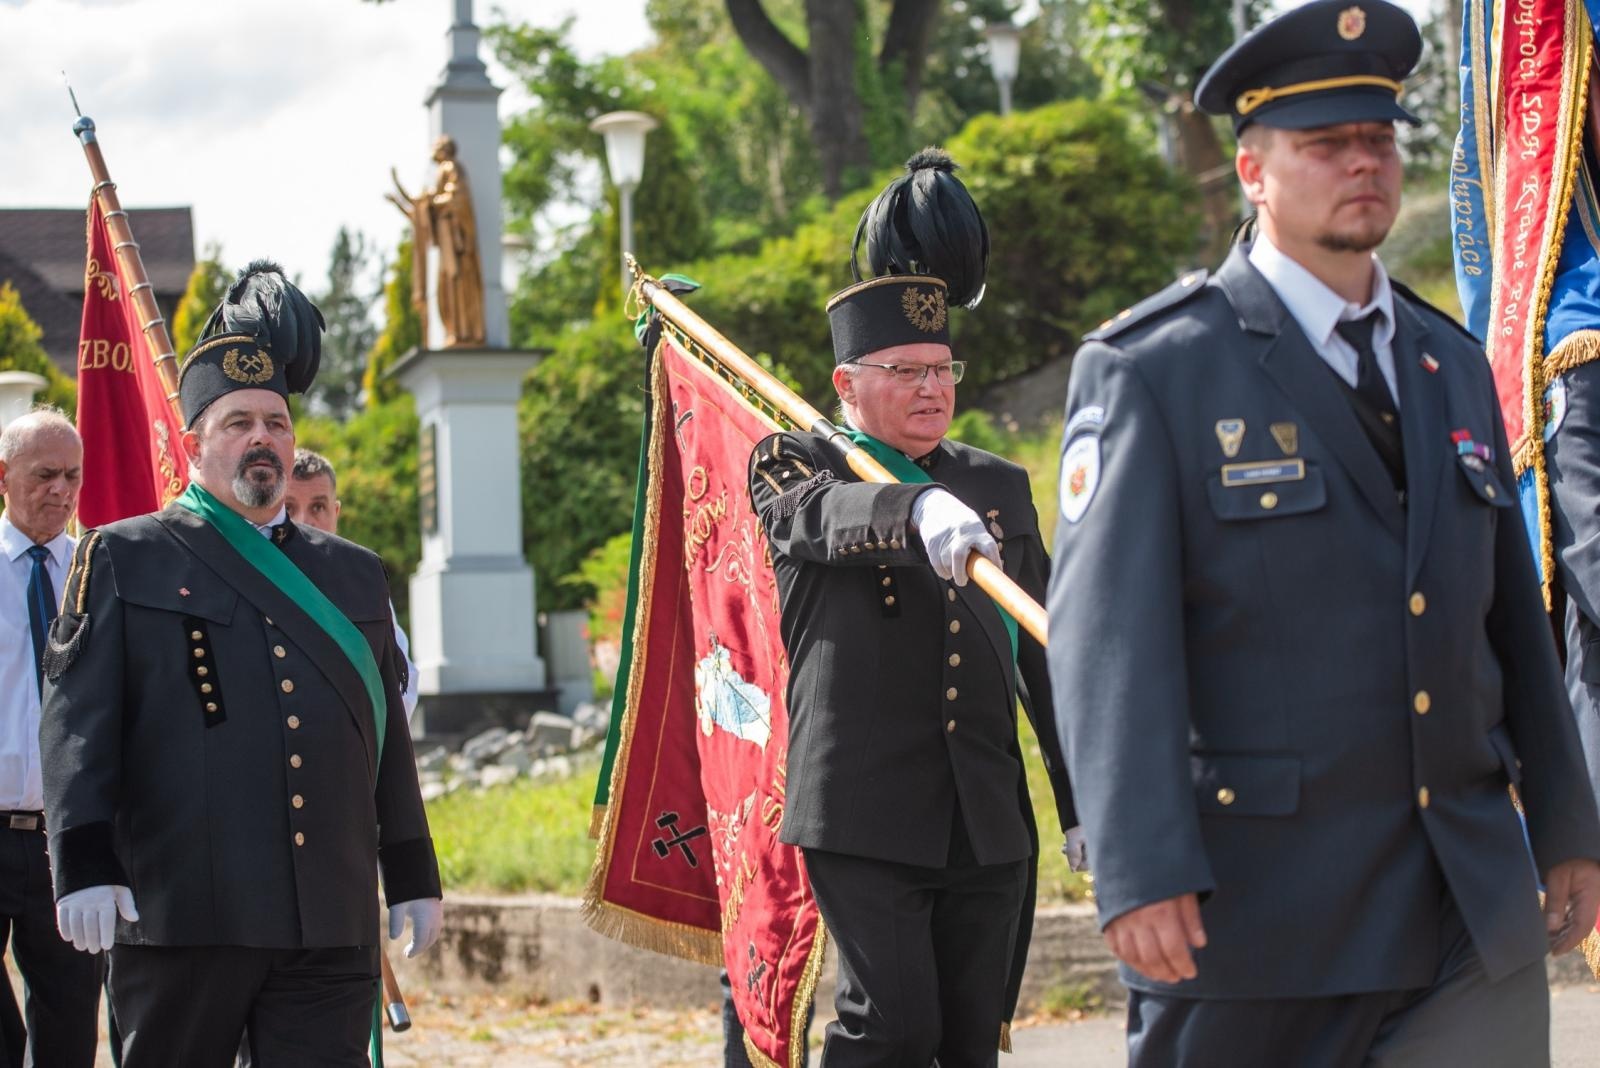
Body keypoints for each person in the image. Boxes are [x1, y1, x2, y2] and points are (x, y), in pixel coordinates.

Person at [1047, 2, 1600, 1063]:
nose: (1362, 163)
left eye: (1378, 139)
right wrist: (1138, 863)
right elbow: (1106, 644)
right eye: (1325, 143)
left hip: (1464, 906)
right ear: (1252, 171)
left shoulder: (1450, 364)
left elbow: (1509, 623)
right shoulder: (1155, 370)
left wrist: (1568, 826)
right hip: (1260, 919)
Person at [39, 262, 444, 1068]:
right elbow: (78, 721)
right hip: (185, 917)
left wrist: (410, 866)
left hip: (326, 918)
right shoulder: (123, 556)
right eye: (238, 423)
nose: (262, 438)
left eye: (276, 423)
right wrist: (80, 859)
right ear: (193, 445)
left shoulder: (352, 573)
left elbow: (381, 738)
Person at [748, 150, 1077, 1066]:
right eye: (904, 371)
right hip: (863, 812)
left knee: (971, 1043)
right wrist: (914, 507)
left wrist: (1080, 798)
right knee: (890, 1029)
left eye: (943, 368)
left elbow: (1043, 650)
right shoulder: (795, 460)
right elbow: (814, 520)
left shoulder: (996, 483)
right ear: (847, 384)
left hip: (985, 814)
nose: (933, 389)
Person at [0, 409, 102, 1068]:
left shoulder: (102, 573)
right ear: (3, 476)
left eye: (72, 476)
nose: (61, 491)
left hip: (71, 837)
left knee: (69, 1022)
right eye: (44, 475)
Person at [284, 448, 419, 720]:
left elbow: (401, 688)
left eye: (318, 507)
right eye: (289, 508)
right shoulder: (255, 579)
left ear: (335, 512)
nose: (304, 521)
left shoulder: (364, 586)